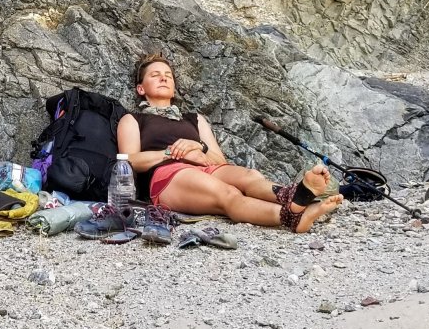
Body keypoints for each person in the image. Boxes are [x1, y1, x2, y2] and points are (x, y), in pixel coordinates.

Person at [116, 53, 343, 232]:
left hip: (206, 166)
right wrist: (173, 153)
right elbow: (128, 161)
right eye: (155, 75)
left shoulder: (194, 119)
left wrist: (199, 146)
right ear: (141, 88)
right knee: (228, 193)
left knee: (250, 176)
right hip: (168, 176)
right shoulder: (133, 119)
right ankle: (290, 217)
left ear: (174, 88)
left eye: (168, 75)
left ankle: (294, 197)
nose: (164, 78)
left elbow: (219, 160)